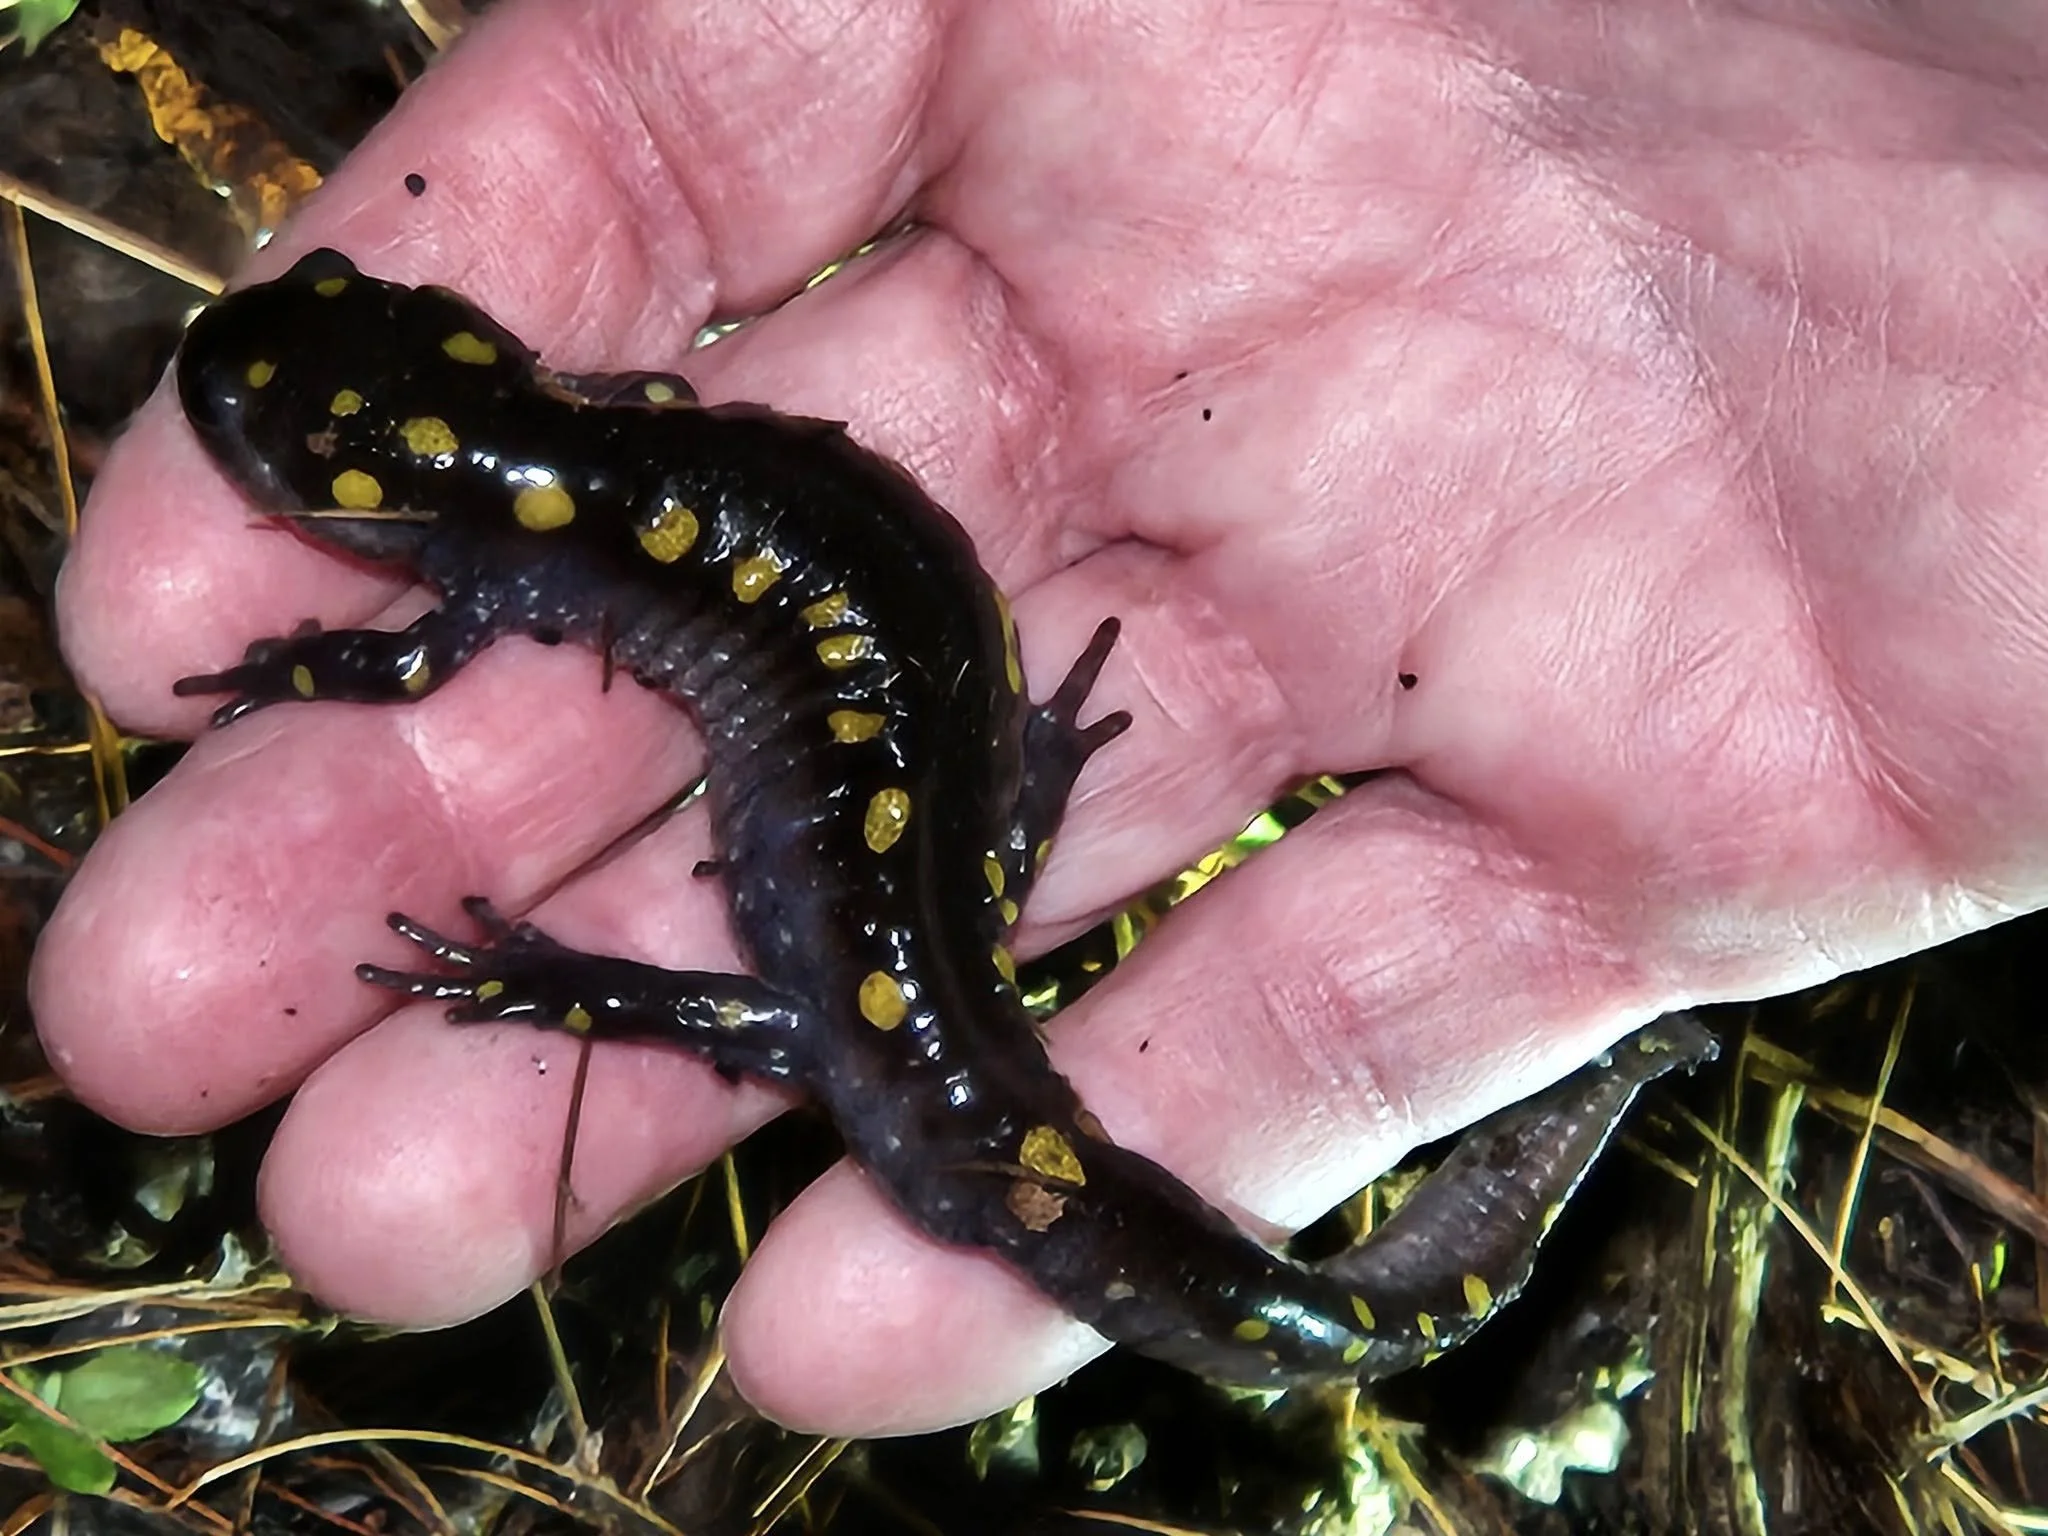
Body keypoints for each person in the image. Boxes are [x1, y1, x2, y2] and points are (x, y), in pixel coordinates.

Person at [29, 0, 2048, 1438]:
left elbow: (414, 656)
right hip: (923, 759)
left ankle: (702, 945)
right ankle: (1021, 872)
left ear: (445, 405)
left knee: (840, 1012)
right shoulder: (563, 476)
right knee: (868, 995)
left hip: (913, 811)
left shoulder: (508, 536)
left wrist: (510, 910)